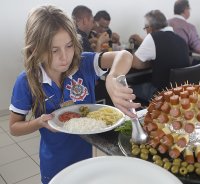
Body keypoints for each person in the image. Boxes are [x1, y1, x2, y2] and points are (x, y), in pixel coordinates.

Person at [9, 5, 139, 184]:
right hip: (55, 162)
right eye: (54, 50)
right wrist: (39, 122)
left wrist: (113, 77)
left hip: (90, 156)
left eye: (69, 46)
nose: (65, 57)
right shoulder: (27, 81)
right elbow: (14, 127)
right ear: (36, 49)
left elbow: (124, 55)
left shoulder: (83, 63)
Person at [131, 10, 191, 101]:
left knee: (128, 88)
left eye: (145, 27)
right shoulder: (181, 39)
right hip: (181, 93)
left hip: (161, 94)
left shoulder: (153, 37)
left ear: (150, 27)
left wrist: (151, 62)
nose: (146, 30)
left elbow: (135, 63)